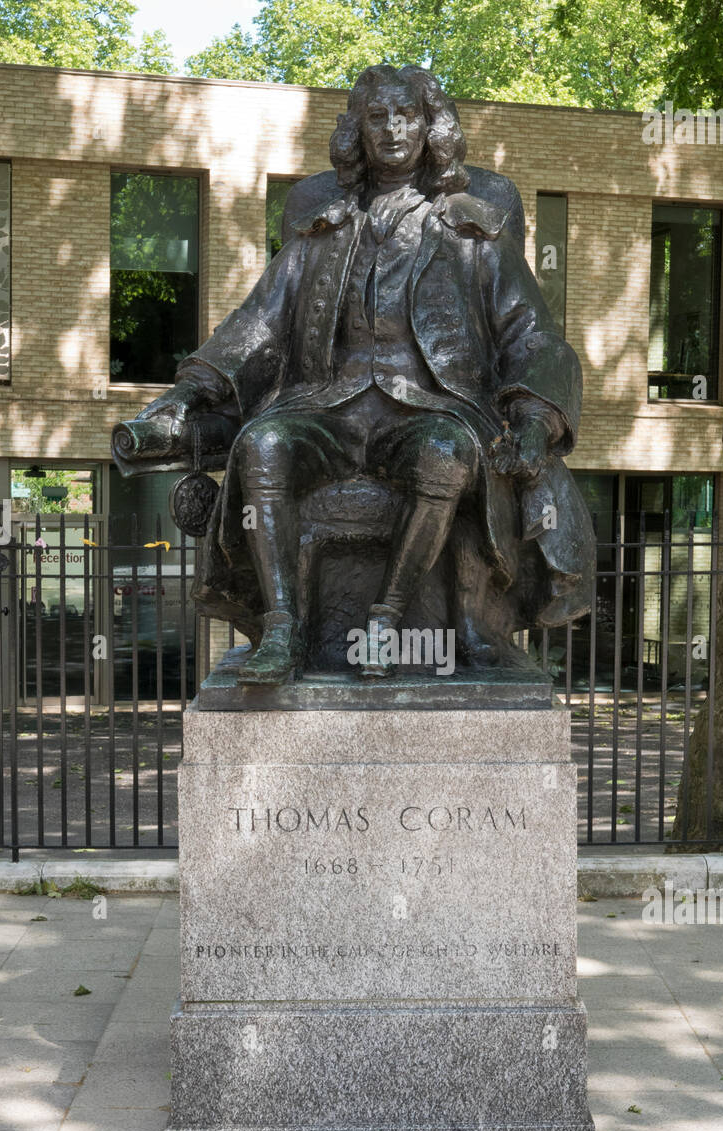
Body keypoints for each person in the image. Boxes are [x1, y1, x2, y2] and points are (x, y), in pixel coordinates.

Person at [132, 63, 594, 683]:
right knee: (262, 445)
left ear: (432, 127)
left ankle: (387, 621)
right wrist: (190, 392)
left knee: (447, 453)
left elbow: (531, 334)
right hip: (329, 406)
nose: (393, 129)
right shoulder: (321, 223)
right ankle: (283, 630)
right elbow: (259, 322)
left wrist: (535, 420)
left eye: (407, 115)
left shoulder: (475, 228)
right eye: (377, 117)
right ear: (358, 129)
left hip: (430, 410)